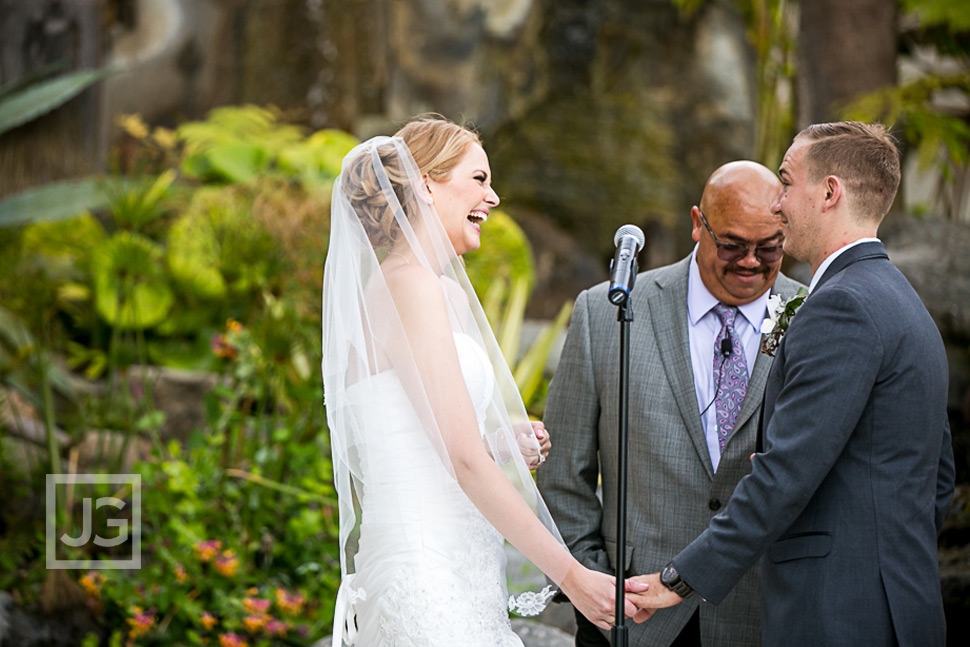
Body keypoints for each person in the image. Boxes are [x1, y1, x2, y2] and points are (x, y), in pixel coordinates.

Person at [627, 121, 956, 647]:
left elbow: (784, 475)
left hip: (838, 614)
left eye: (786, 181)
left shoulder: (842, 307)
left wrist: (678, 579)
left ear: (829, 193)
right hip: (898, 606)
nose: (777, 203)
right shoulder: (902, 302)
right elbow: (937, 476)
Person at [322, 115, 640, 646]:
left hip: (464, 571)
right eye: (479, 179)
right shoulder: (409, 285)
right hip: (422, 573)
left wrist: (498, 444)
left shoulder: (432, 290)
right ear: (426, 184)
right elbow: (461, 459)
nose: (493, 198)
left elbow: (436, 440)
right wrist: (573, 576)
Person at [538, 160, 804, 647]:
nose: (750, 261)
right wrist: (590, 582)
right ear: (697, 223)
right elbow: (562, 474)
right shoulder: (608, 311)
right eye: (732, 245)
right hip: (632, 615)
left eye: (769, 247)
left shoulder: (810, 315)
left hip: (762, 614)